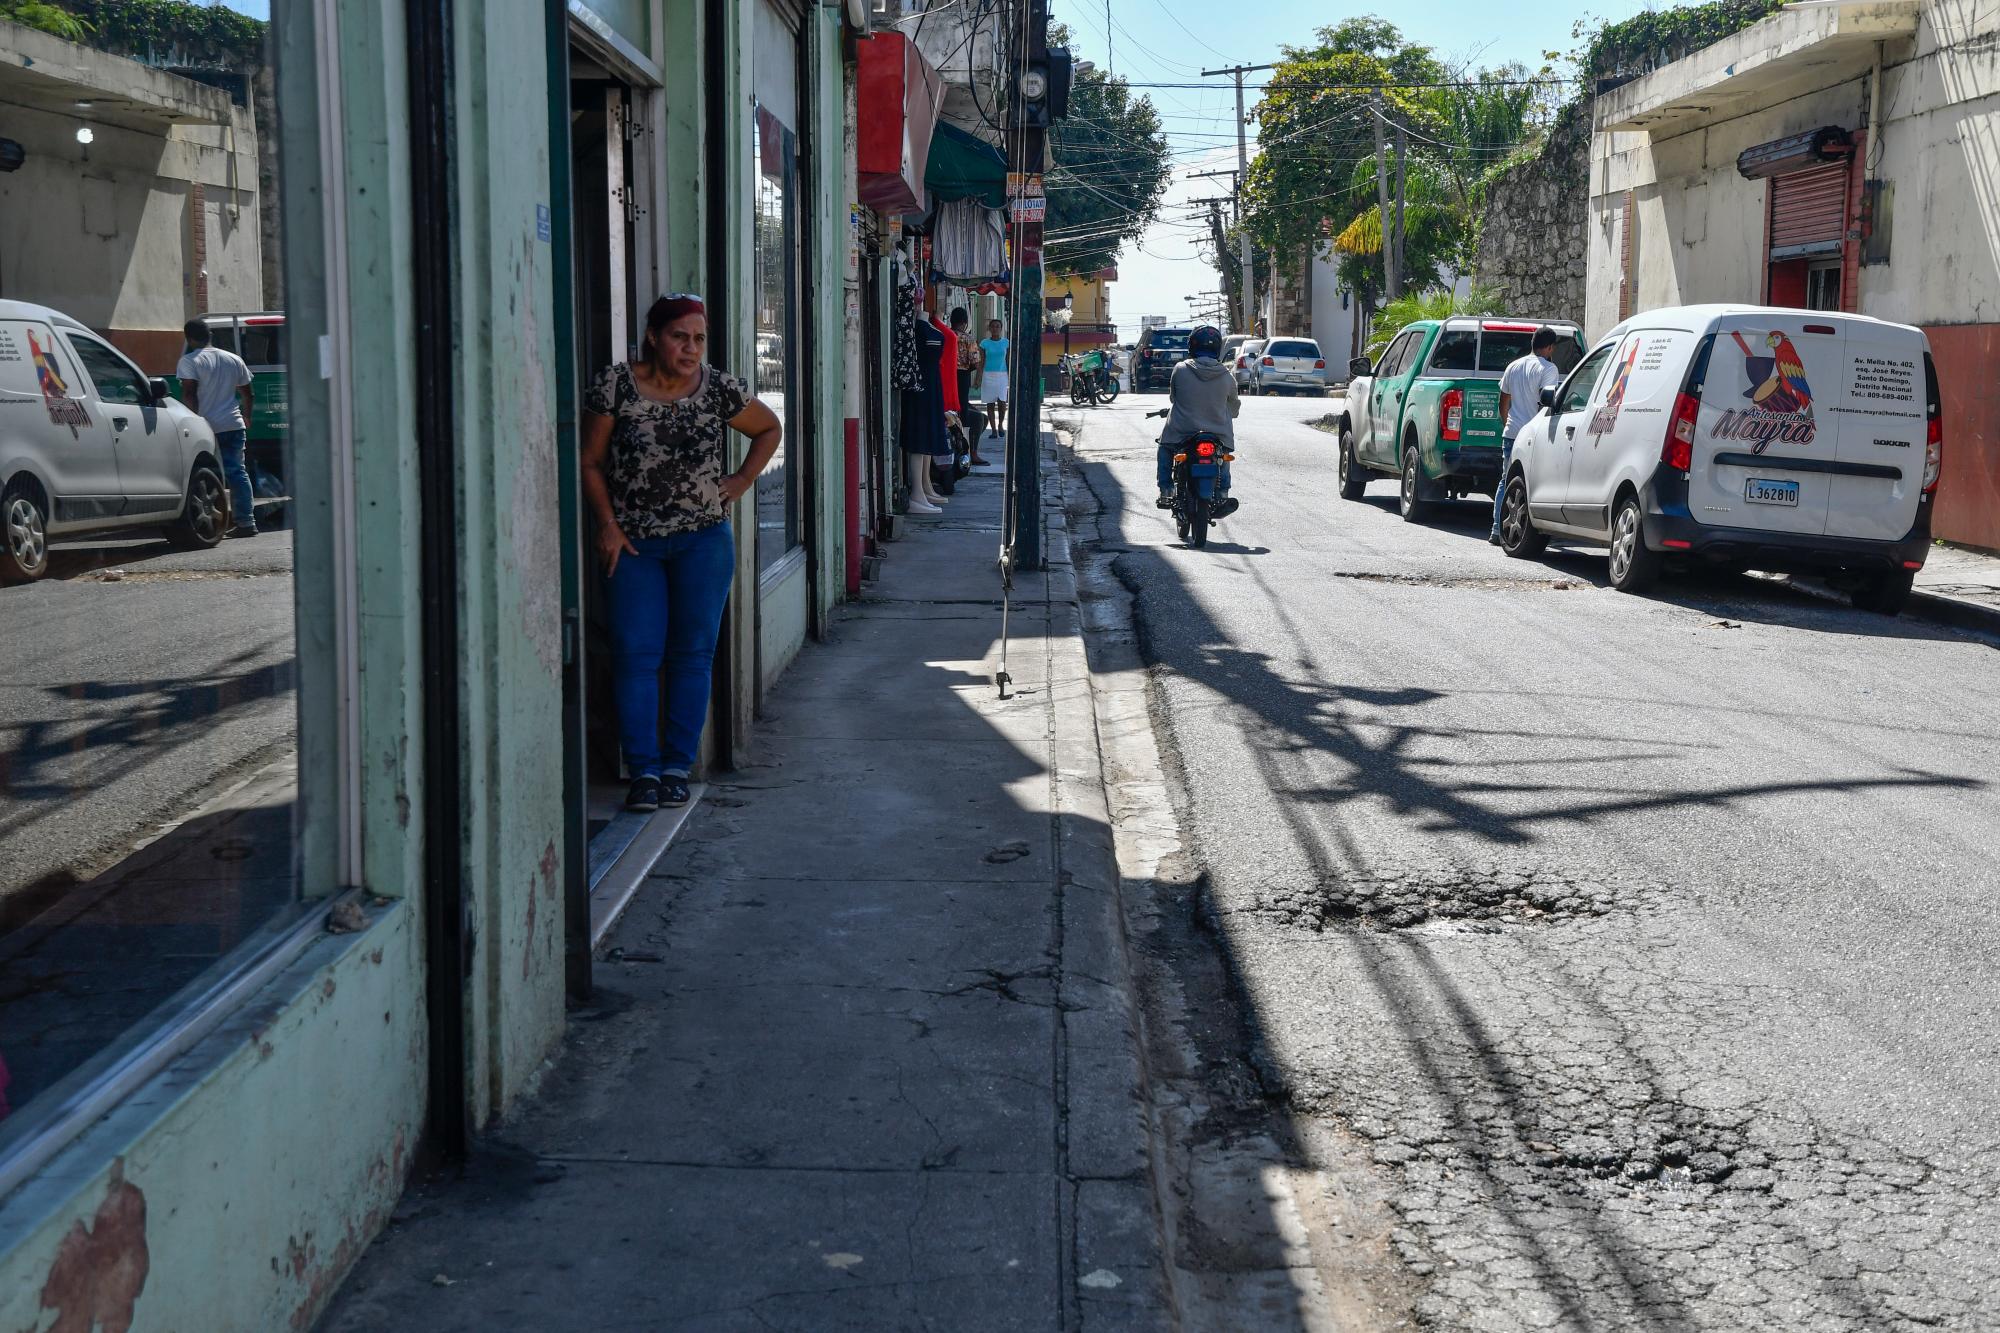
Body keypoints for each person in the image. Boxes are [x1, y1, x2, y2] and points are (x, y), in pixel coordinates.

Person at [582, 293, 782, 813]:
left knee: (693, 655)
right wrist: (606, 525)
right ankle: (643, 771)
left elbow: (768, 428)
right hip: (634, 544)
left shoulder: (718, 387)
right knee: (635, 655)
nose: (691, 348)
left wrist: (739, 480)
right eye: (679, 337)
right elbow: (588, 462)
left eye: (699, 338)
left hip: (703, 541)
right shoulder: (616, 385)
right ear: (654, 337)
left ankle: (676, 766)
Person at [177, 319, 258, 538]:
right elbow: (247, 393)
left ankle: (209, 524)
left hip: (206, 426)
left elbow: (189, 394)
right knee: (238, 473)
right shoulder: (233, 358)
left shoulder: (189, 361)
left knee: (205, 474)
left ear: (189, 338)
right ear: (210, 335)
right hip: (233, 424)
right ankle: (246, 522)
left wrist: (191, 420)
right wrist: (247, 416)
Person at [1492, 326, 1565, 544]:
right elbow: (1548, 401)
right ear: (1550, 347)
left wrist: (1508, 425)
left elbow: (1503, 401)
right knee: (1536, 484)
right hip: (1534, 436)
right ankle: (1532, 533)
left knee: (1506, 481)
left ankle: (1497, 529)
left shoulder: (1513, 366)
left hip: (1512, 433)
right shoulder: (1549, 369)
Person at [1158, 325, 1240, 513]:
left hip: (1181, 431)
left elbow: (1173, 398)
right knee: (1222, 455)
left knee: (1165, 449)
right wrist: (1228, 414)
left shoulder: (1180, 369)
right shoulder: (1227, 376)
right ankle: (1222, 494)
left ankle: (1166, 490)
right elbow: (1234, 405)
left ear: (1192, 346)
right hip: (1218, 432)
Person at [979, 318, 1010, 438]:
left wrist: (1011, 375)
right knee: (990, 403)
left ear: (1001, 329)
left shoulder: (1006, 342)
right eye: (993, 326)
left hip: (1002, 375)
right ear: (989, 329)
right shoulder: (984, 343)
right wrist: (978, 377)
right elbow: (981, 361)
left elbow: (1008, 359)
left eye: (997, 326)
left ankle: (1001, 425)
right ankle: (993, 430)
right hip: (988, 375)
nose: (995, 328)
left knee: (1002, 403)